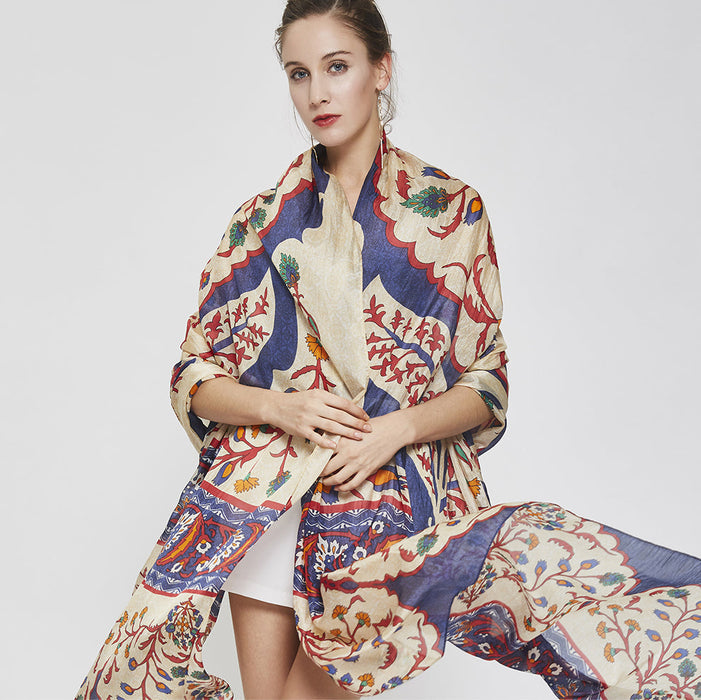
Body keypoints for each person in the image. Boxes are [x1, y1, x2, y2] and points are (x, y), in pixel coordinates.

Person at [78, 2, 701, 699]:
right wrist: (280, 408)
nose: (317, 92)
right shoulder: (259, 222)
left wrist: (394, 430)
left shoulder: (450, 211)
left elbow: (486, 384)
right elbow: (194, 377)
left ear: (381, 69)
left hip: (377, 504)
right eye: (298, 73)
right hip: (263, 501)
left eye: (336, 67)